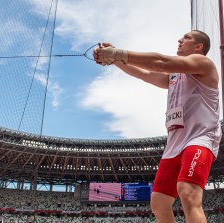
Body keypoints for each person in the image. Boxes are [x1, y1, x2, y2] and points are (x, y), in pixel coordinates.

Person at [93, 30, 222, 223]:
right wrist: (115, 60)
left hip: (200, 138)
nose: (179, 39)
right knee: (159, 202)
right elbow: (144, 73)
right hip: (174, 145)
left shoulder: (204, 63)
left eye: (186, 37)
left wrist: (117, 53)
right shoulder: (175, 76)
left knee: (187, 192)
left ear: (198, 47)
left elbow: (160, 62)